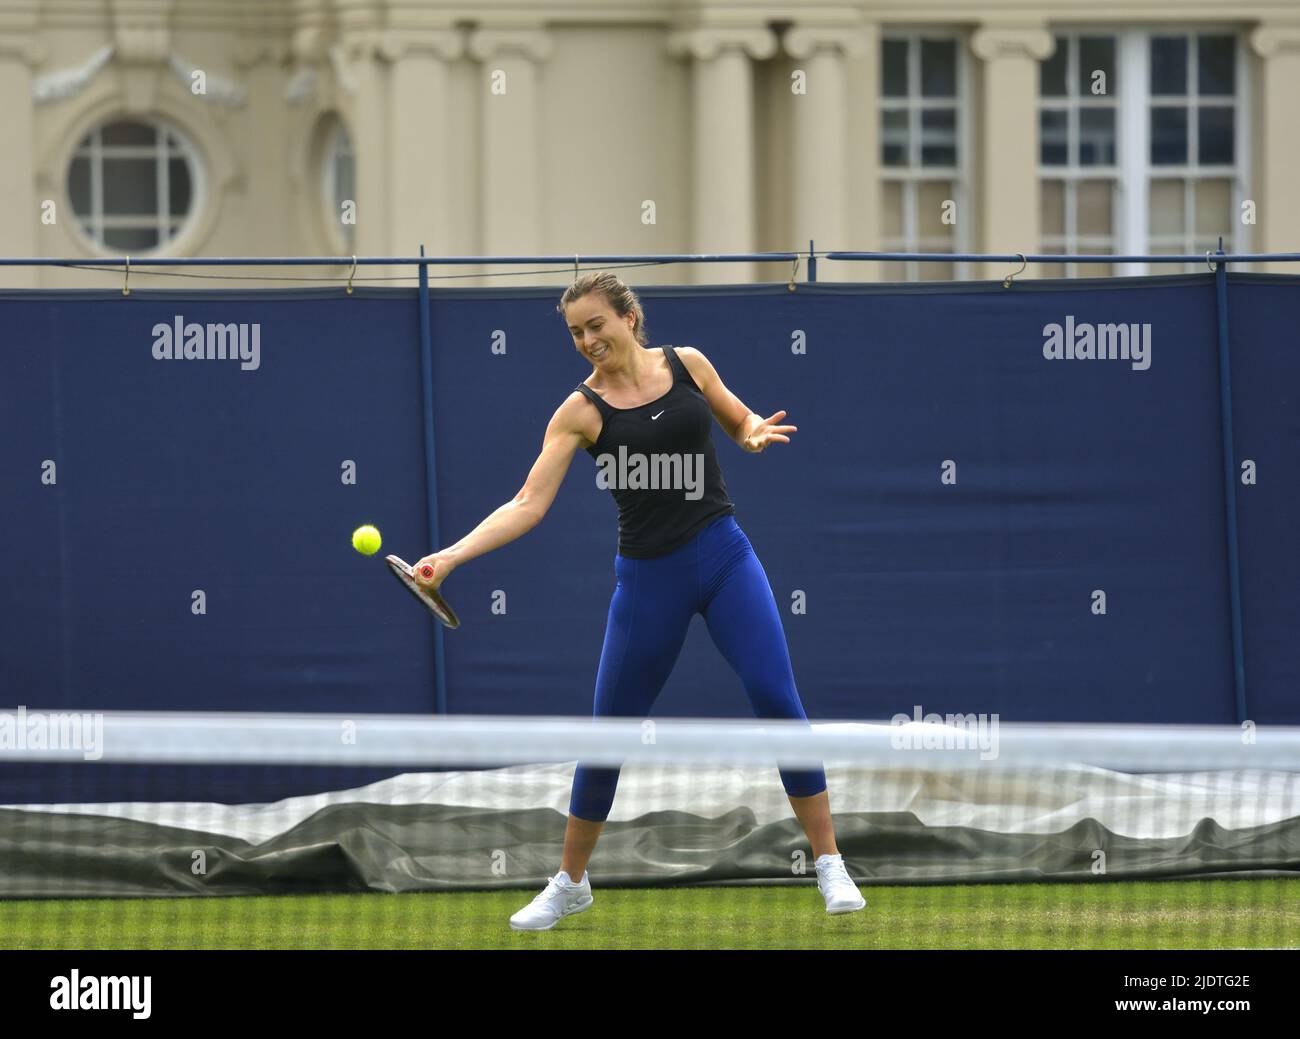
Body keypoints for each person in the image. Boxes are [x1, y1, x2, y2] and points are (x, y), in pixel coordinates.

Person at [414, 271, 864, 930]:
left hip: (725, 557)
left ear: (628, 316)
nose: (587, 339)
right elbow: (527, 503)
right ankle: (570, 880)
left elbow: (738, 422)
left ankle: (829, 863)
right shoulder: (580, 412)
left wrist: (752, 434)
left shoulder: (688, 363)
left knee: (777, 698)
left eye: (596, 324)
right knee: (607, 734)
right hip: (649, 579)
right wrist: (450, 556)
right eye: (576, 332)